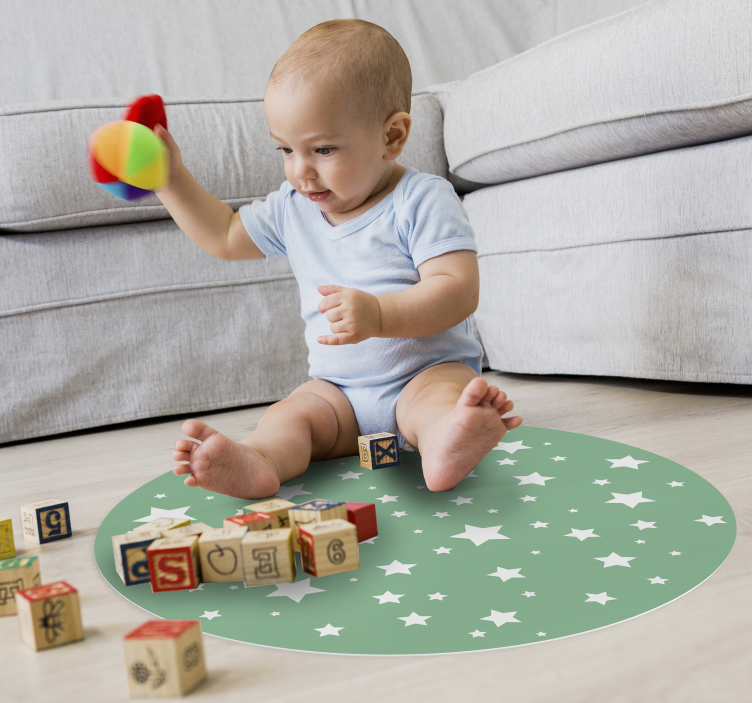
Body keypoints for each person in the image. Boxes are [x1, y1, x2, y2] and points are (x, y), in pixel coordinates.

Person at [157, 19, 522, 500]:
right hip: (339, 394)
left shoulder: (421, 199)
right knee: (292, 415)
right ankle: (259, 459)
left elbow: (458, 290)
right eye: (286, 149)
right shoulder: (292, 207)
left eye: (323, 149)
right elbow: (225, 235)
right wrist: (170, 179)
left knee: (439, 402)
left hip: (426, 374)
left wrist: (379, 314)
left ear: (392, 136)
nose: (301, 171)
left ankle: (444, 442)